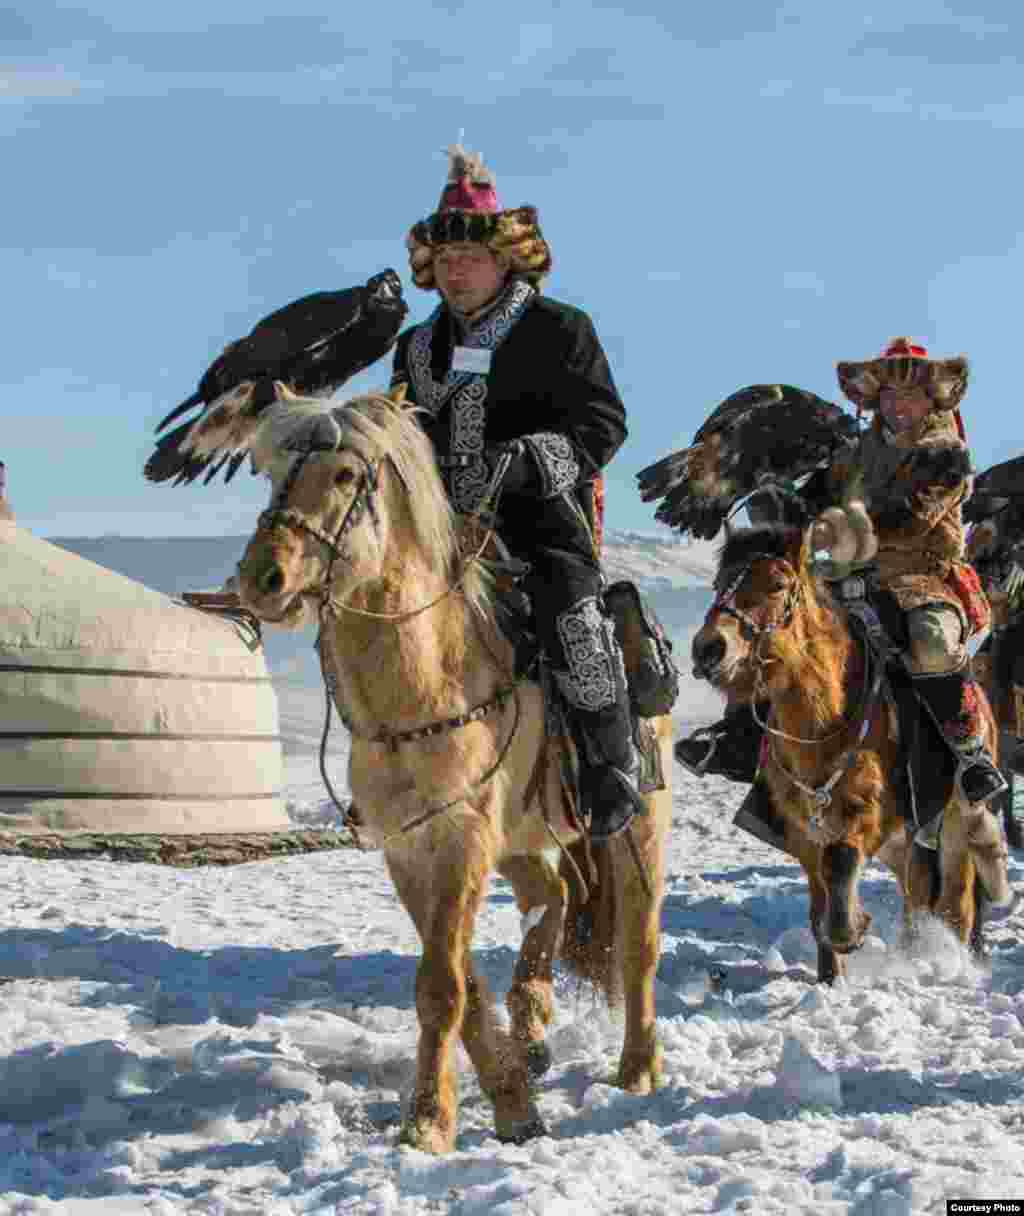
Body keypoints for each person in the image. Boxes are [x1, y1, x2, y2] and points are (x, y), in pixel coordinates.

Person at [389, 143, 644, 842]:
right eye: (444, 262)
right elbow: (401, 428)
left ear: (505, 260)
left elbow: (603, 423)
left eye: (470, 259)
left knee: (571, 611)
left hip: (538, 522)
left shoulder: (561, 329)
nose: (457, 271)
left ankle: (610, 765)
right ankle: (382, 764)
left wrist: (525, 461)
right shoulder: (416, 347)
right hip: (436, 526)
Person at [678, 337, 1007, 840]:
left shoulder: (947, 455)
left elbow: (909, 519)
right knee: (780, 631)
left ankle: (971, 754)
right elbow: (814, 498)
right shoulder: (854, 454)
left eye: (911, 396)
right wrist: (779, 501)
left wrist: (839, 528)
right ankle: (739, 736)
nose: (898, 406)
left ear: (932, 400)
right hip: (849, 578)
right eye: (889, 397)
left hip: (924, 578)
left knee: (933, 643)